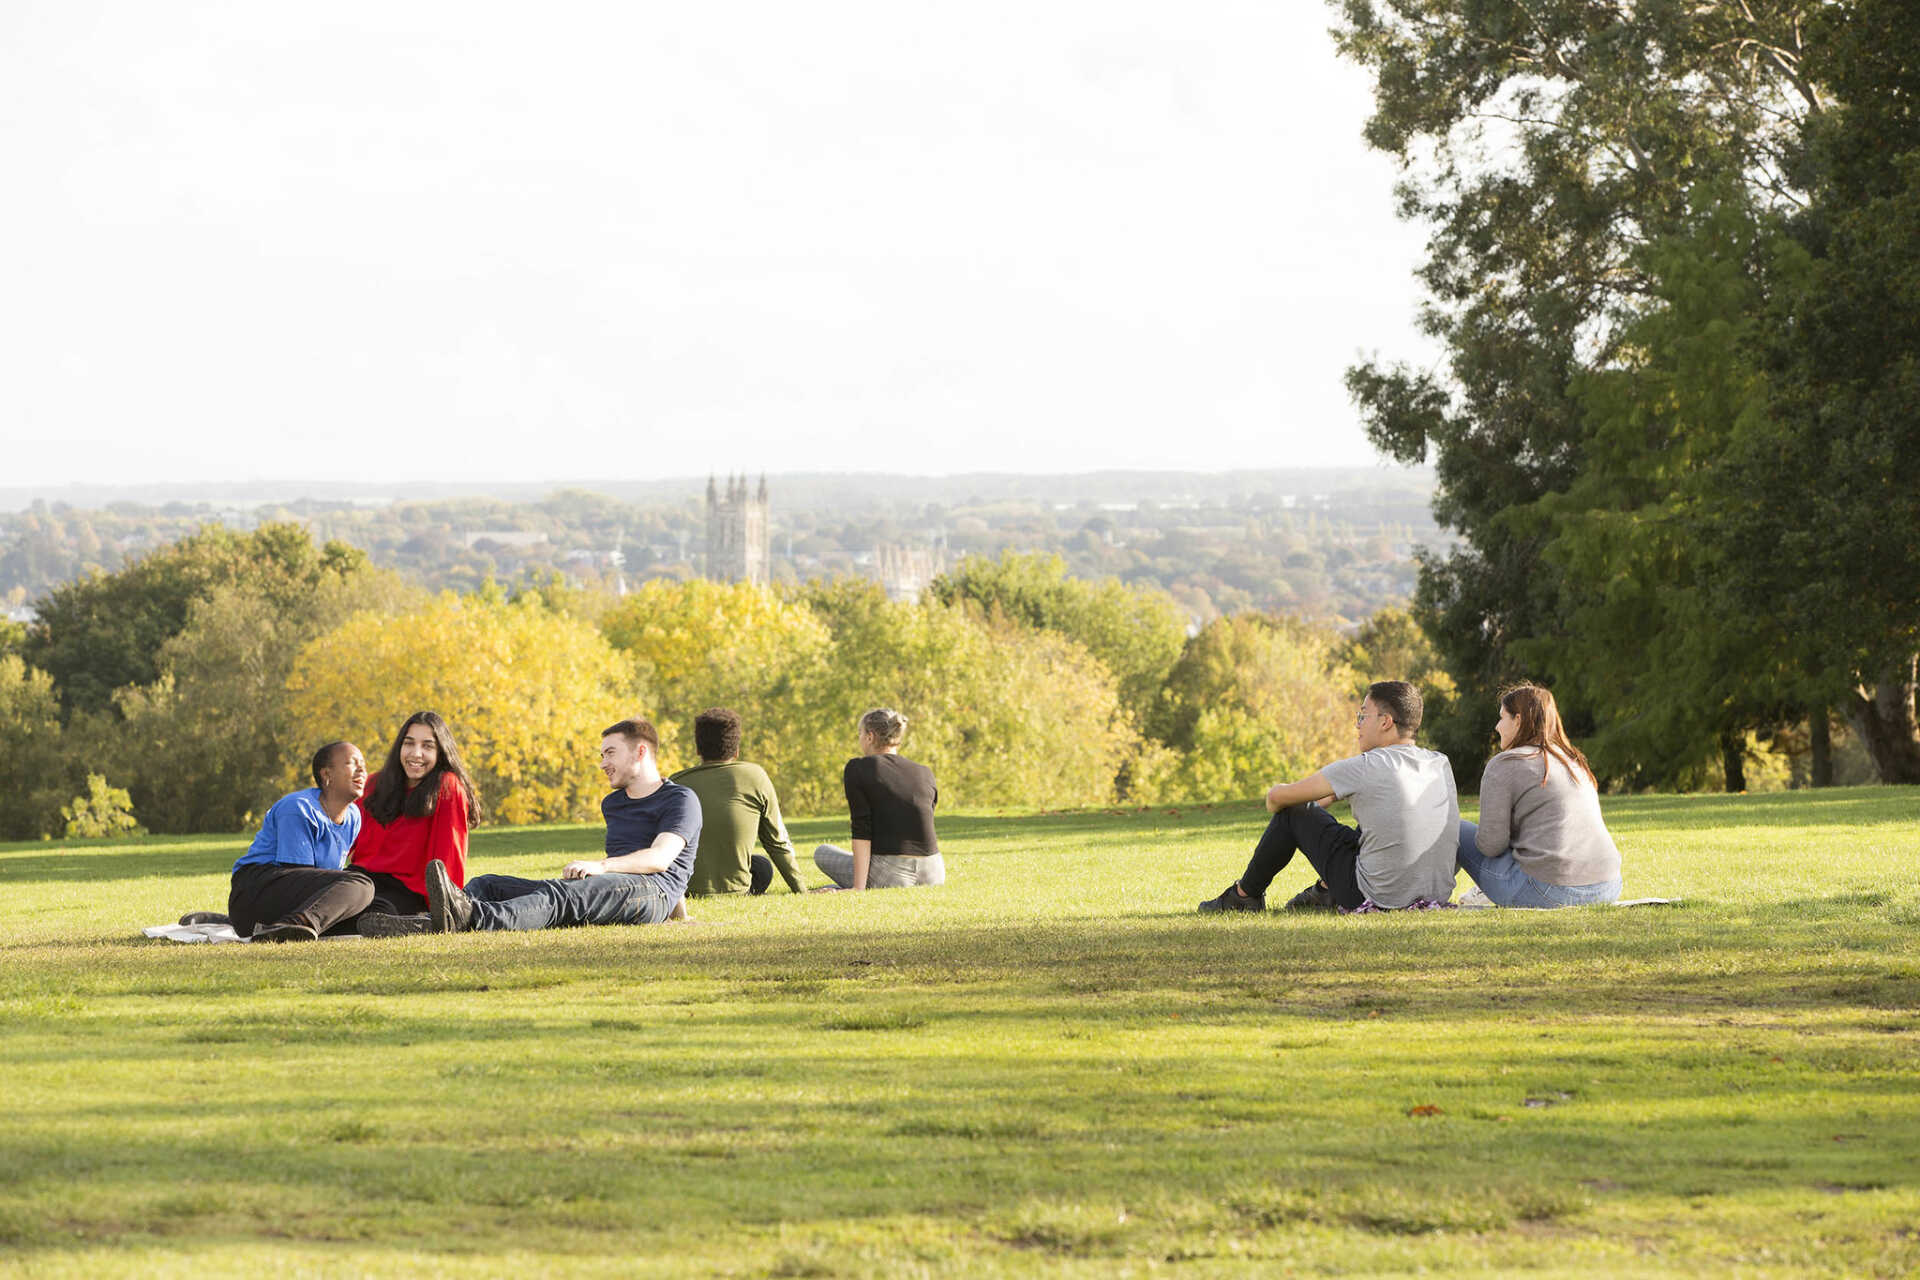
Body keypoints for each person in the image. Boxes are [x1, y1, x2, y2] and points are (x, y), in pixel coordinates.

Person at [1197, 680, 1458, 914]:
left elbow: (1277, 798)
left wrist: (1304, 807)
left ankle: (1243, 897)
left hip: (1375, 895)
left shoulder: (1367, 765)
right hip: (1434, 893)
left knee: (1294, 811)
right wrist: (1328, 799)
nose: (1357, 724)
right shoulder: (1439, 763)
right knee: (1379, 821)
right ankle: (1324, 892)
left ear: (1385, 721)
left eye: (1362, 716)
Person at [418, 718, 700, 933]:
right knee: (488, 884)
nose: (603, 763)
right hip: (615, 887)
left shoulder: (681, 799)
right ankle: (430, 919)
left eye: (610, 753)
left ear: (640, 752)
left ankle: (472, 918)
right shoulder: (613, 804)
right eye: (602, 755)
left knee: (560, 895)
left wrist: (601, 866)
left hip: (653, 891)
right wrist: (680, 916)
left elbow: (660, 859)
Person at [1455, 684, 1623, 907]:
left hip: (1547, 892)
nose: (1497, 727)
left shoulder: (1505, 764)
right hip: (1607, 887)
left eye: (1502, 718)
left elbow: (1491, 846)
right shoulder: (1573, 761)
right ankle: (1486, 889)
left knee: (1454, 827)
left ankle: (1425, 897)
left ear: (1518, 720)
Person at [227, 741, 375, 942]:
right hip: (255, 892)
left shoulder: (354, 816)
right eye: (352, 763)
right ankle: (293, 926)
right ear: (326, 774)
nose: (362, 771)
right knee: (359, 884)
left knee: (375, 901)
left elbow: (323, 881)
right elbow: (296, 874)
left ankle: (401, 921)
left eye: (364, 766)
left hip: (295, 898)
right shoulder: (298, 808)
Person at [350, 711, 480, 927]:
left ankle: (415, 922)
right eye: (409, 743)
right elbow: (343, 838)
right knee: (334, 897)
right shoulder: (375, 784)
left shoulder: (447, 786)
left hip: (406, 891)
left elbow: (448, 854)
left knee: (375, 913)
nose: (416, 753)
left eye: (427, 746)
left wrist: (444, 909)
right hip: (361, 881)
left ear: (441, 752)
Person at [671, 707, 806, 896]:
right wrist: (801, 890)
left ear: (697, 749)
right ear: (736, 750)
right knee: (762, 867)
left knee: (759, 864)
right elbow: (777, 842)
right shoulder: (755, 776)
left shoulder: (676, 782)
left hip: (682, 889)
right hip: (736, 890)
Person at [813, 707, 944, 891]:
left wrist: (858, 888)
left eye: (860, 734)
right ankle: (836, 888)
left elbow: (862, 830)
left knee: (823, 853)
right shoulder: (925, 772)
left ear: (870, 736)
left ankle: (846, 887)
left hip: (892, 873)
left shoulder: (858, 768)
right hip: (934, 871)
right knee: (833, 880)